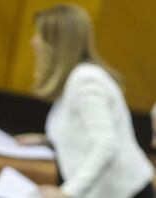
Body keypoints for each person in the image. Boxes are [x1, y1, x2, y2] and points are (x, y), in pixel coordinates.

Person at [16, 4, 154, 198]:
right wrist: (46, 141)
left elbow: (106, 143)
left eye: (41, 35)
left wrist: (66, 193)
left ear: (58, 43)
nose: (34, 41)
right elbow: (82, 131)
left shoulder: (86, 81)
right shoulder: (74, 78)